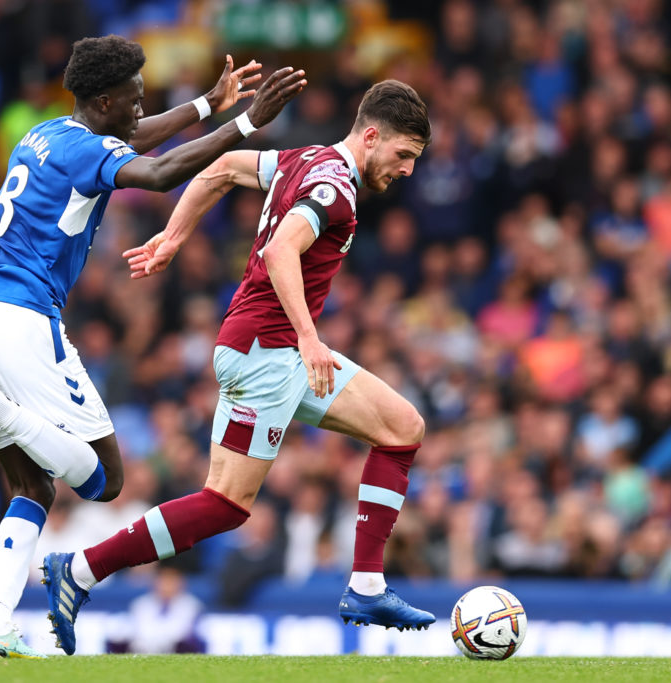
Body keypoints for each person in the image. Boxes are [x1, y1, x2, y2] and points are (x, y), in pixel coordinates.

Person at [0, 34, 306, 659]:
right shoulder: (86, 149)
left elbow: (130, 140)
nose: (142, 109)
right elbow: (159, 172)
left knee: (31, 487)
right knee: (105, 480)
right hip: (19, 317)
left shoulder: (50, 133)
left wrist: (205, 105)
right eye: (135, 100)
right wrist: (246, 122)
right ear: (105, 99)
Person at [40, 79, 435, 656]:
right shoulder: (334, 189)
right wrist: (308, 337)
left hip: (266, 348)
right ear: (371, 137)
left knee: (403, 428)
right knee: (225, 503)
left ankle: (367, 585)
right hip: (267, 353)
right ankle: (79, 570)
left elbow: (223, 167)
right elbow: (280, 252)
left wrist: (174, 235)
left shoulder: (306, 160)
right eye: (403, 155)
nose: (406, 170)